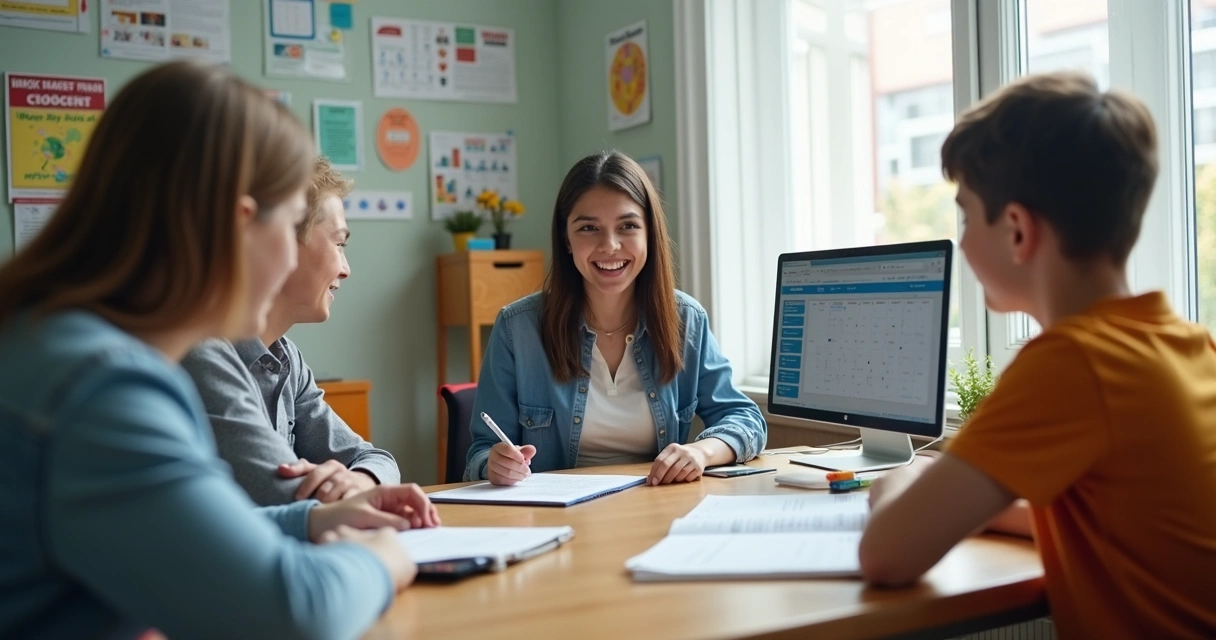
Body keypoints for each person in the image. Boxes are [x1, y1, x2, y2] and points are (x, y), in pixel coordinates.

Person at [0, 60, 438, 640]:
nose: (290, 259)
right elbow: (289, 611)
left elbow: (172, 533)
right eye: (289, 227)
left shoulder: (48, 340)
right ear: (238, 226)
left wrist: (312, 519)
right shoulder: (104, 389)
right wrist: (382, 558)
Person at [858, 71, 1216, 637]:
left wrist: (899, 481)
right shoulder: (1188, 343)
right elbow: (1113, 520)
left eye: (966, 216)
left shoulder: (1072, 363)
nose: (961, 239)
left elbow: (886, 554)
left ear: (1018, 231)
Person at [465, 150, 766, 486]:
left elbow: (744, 418)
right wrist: (494, 464)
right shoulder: (517, 328)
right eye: (589, 228)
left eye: (628, 226)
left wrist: (702, 452)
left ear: (649, 233)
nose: (610, 245)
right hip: (555, 511)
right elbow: (480, 452)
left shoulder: (686, 319)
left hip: (655, 504)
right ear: (566, 239)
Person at [182, 157, 399, 506]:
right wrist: (344, 496)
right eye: (339, 244)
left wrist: (359, 481)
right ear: (280, 241)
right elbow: (282, 496)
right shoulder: (202, 355)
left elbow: (374, 460)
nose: (345, 269)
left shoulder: (286, 359)